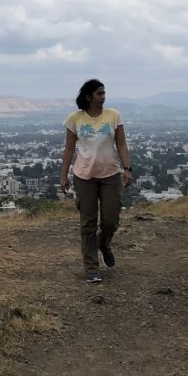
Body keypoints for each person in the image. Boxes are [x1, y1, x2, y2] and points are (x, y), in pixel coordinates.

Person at [60, 79, 132, 284]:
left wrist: (127, 168)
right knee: (88, 223)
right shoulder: (75, 119)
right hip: (84, 176)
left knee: (110, 220)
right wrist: (63, 176)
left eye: (104, 93)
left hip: (110, 174)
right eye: (99, 93)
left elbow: (122, 144)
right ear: (89, 96)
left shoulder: (113, 115)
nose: (103, 97)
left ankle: (104, 243)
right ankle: (91, 267)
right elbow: (69, 149)